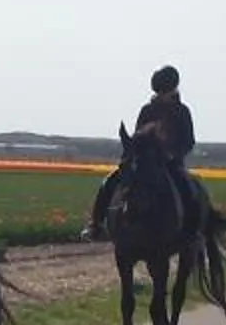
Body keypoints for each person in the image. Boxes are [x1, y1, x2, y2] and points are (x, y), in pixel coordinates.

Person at [80, 66, 199, 241]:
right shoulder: (147, 110)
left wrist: (173, 154)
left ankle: (193, 232)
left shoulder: (182, 111)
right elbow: (137, 139)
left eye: (165, 92)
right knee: (109, 181)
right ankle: (96, 224)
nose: (162, 96)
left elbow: (188, 141)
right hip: (145, 162)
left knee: (189, 188)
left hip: (171, 163)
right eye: (159, 92)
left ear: (173, 89)